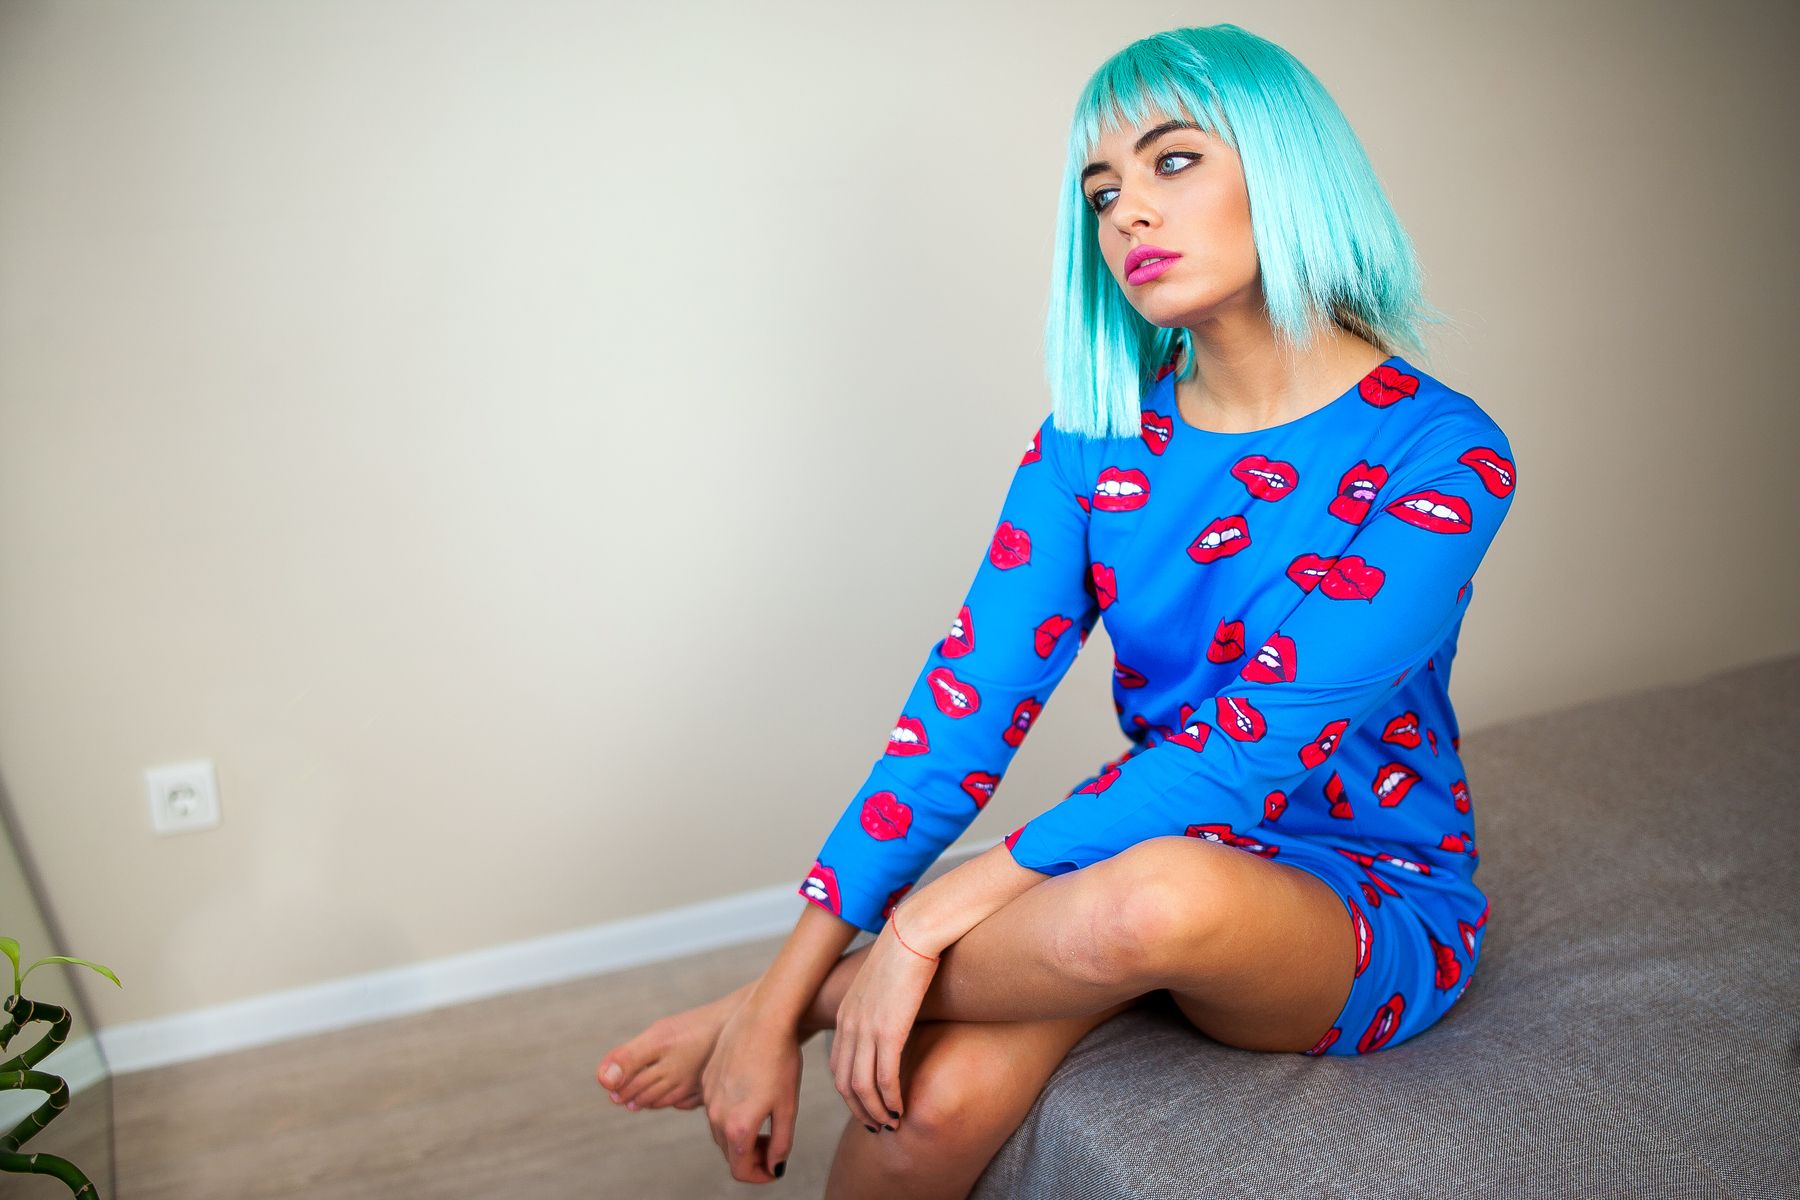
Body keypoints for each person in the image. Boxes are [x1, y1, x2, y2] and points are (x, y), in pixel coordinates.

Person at [596, 21, 1519, 1196]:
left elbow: (1251, 751)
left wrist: (892, 943)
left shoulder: (1444, 454)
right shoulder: (1090, 444)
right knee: (926, 1112)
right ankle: (784, 1003)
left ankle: (788, 1007)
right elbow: (960, 714)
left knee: (1157, 897)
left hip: (1354, 891)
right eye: (1103, 191)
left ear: (1288, 166)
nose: (1129, 213)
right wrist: (806, 967)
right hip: (1146, 842)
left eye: (1173, 161)